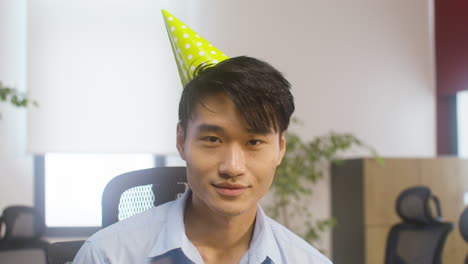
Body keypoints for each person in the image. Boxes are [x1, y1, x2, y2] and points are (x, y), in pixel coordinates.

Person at [72, 11, 332, 264]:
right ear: (181, 140)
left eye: (253, 142)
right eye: (212, 139)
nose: (232, 167)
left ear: (280, 149)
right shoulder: (107, 255)